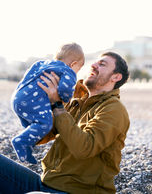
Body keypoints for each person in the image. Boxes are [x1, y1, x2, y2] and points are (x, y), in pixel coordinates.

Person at [0, 51, 130, 194]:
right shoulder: (76, 100)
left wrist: (57, 105)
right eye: (95, 62)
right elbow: (45, 135)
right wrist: (35, 105)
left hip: (78, 190)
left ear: (116, 77)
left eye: (102, 64)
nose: (93, 65)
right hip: (47, 182)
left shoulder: (113, 110)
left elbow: (84, 148)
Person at [11, 43, 84, 164]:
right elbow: (65, 91)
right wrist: (66, 98)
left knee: (32, 126)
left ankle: (28, 144)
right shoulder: (68, 71)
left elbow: (26, 78)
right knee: (45, 123)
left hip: (17, 98)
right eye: (79, 69)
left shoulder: (41, 64)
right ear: (74, 64)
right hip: (33, 102)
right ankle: (20, 142)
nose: (77, 72)